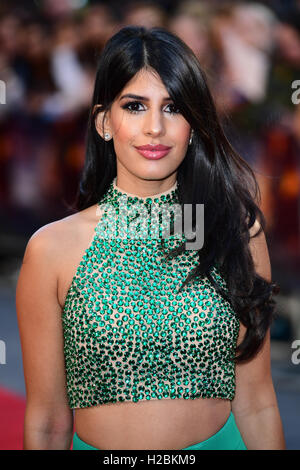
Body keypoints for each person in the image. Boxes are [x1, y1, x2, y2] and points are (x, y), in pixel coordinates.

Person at [16, 25, 286, 450]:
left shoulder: (234, 233)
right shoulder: (51, 249)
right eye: (136, 106)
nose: (156, 128)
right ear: (104, 122)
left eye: (174, 107)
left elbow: (257, 403)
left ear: (193, 126)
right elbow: (48, 421)